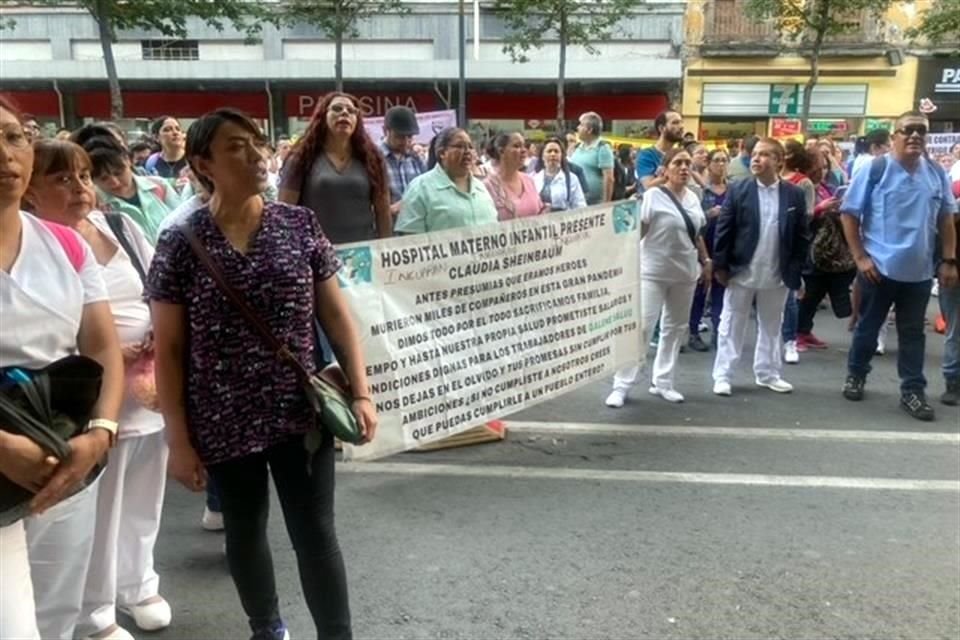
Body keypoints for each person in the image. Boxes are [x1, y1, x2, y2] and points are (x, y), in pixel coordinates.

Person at [147, 108, 377, 640]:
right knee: (246, 532)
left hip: (301, 411)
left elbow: (337, 317)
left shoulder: (299, 225)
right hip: (222, 416)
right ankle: (266, 627)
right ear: (202, 162)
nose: (255, 154)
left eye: (256, 142)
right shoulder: (181, 241)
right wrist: (178, 442)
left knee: (316, 533)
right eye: (236, 146)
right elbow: (171, 351)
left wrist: (361, 394)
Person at [26, 139, 171, 640]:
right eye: (62, 179)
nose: (79, 188)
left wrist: (158, 334)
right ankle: (95, 610)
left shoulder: (120, 225)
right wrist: (105, 352)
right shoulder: (39, 245)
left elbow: (156, 282)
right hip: (93, 399)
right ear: (30, 190)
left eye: (84, 176)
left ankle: (139, 582)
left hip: (148, 391)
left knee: (144, 494)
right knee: (97, 509)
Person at [0, 94, 123, 640]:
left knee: (55, 615)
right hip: (10, 450)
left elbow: (101, 345)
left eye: (13, 137)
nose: (4, 154)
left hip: (64, 453)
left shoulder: (67, 246)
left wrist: (101, 432)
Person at [839, 111, 958, 421]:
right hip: (878, 270)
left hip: (919, 274)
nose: (915, 136)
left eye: (921, 131)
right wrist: (861, 258)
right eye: (908, 130)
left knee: (912, 335)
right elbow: (848, 214)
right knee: (867, 328)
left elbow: (947, 218)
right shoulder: (875, 169)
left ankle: (912, 392)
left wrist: (948, 260)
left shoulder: (935, 173)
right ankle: (856, 373)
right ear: (894, 137)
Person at [605, 147, 710, 407]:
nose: (684, 168)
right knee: (641, 327)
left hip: (684, 272)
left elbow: (696, 234)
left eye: (688, 163)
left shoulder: (694, 198)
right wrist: (621, 263)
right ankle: (622, 385)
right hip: (652, 271)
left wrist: (705, 260)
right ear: (666, 168)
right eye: (678, 163)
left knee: (675, 329)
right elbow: (638, 230)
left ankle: (663, 382)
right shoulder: (653, 195)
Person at [711, 137, 810, 397]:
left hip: (777, 272)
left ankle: (767, 373)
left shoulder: (794, 194)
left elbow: (801, 237)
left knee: (771, 325)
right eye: (755, 154)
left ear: (779, 161)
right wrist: (720, 265)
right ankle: (723, 375)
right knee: (731, 323)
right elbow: (724, 229)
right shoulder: (739, 189)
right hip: (742, 270)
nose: (756, 159)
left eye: (765, 155)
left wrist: (797, 272)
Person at [279, 92, 391, 242]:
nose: (344, 113)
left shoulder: (373, 159)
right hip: (315, 253)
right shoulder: (301, 158)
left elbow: (383, 211)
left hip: (364, 254)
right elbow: (285, 212)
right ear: (323, 116)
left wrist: (386, 248)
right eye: (337, 108)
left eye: (351, 111)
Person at [796, 148, 856, 353]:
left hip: (830, 247)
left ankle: (805, 330)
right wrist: (821, 208)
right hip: (811, 246)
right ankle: (797, 333)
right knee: (809, 292)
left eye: (824, 167)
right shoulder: (802, 186)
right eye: (817, 167)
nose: (821, 171)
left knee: (818, 292)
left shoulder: (826, 186)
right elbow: (802, 218)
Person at [81, 134, 181, 244]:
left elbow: (183, 221)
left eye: (118, 173)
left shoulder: (159, 186)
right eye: (104, 179)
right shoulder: (95, 206)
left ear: (128, 160)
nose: (115, 182)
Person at [395, 127, 497, 233]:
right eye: (460, 146)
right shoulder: (420, 188)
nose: (467, 152)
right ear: (442, 153)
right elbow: (409, 240)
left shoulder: (481, 188)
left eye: (470, 147)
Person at [688, 148, 730, 352]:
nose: (721, 165)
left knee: (721, 291)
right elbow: (694, 222)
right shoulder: (701, 192)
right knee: (700, 291)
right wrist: (709, 214)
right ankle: (693, 331)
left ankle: (719, 332)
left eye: (724, 160)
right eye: (717, 160)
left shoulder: (734, 190)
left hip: (725, 247)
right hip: (704, 245)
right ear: (709, 164)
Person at [780, 140, 817, 365]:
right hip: (767, 245)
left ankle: (790, 340)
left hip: (792, 243)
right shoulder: (769, 180)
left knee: (789, 296)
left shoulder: (802, 183)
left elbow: (809, 214)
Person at [484, 132, 548, 220]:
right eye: (517, 146)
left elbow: (540, 211)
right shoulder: (488, 186)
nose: (524, 150)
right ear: (501, 151)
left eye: (524, 146)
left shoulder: (529, 180)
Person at [379, 106, 425, 216]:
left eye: (409, 137)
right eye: (399, 136)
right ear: (385, 131)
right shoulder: (373, 158)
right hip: (386, 228)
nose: (405, 141)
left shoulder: (416, 158)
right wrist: (392, 210)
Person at [569, 112, 615, 204]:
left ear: (589, 130)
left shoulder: (602, 148)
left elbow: (609, 178)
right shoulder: (578, 147)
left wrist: (606, 203)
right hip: (576, 201)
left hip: (594, 204)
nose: (577, 128)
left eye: (581, 125)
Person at [532, 137, 587, 212]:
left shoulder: (572, 179)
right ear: (542, 156)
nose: (553, 154)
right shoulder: (533, 178)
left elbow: (580, 206)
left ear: (562, 156)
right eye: (549, 151)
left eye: (556, 151)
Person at [635, 110, 684, 193]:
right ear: (661, 128)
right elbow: (648, 187)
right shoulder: (646, 155)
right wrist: (670, 174)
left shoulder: (681, 154)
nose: (681, 126)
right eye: (675, 123)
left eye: (681, 122)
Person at [144, 116, 187, 180]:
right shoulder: (151, 162)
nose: (175, 132)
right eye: (167, 130)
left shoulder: (192, 160)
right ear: (156, 137)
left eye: (178, 129)